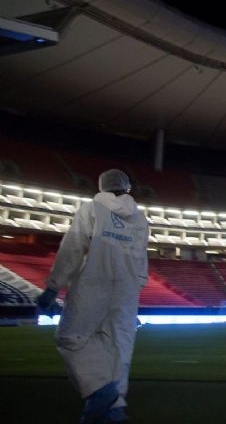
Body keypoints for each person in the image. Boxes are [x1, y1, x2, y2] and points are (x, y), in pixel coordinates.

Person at [36, 170, 149, 424]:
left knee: (70, 337)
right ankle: (115, 408)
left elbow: (73, 247)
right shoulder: (140, 220)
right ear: (126, 188)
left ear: (102, 186)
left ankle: (100, 388)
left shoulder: (92, 210)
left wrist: (54, 287)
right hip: (126, 290)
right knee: (119, 347)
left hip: (94, 282)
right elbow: (141, 260)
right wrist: (133, 292)